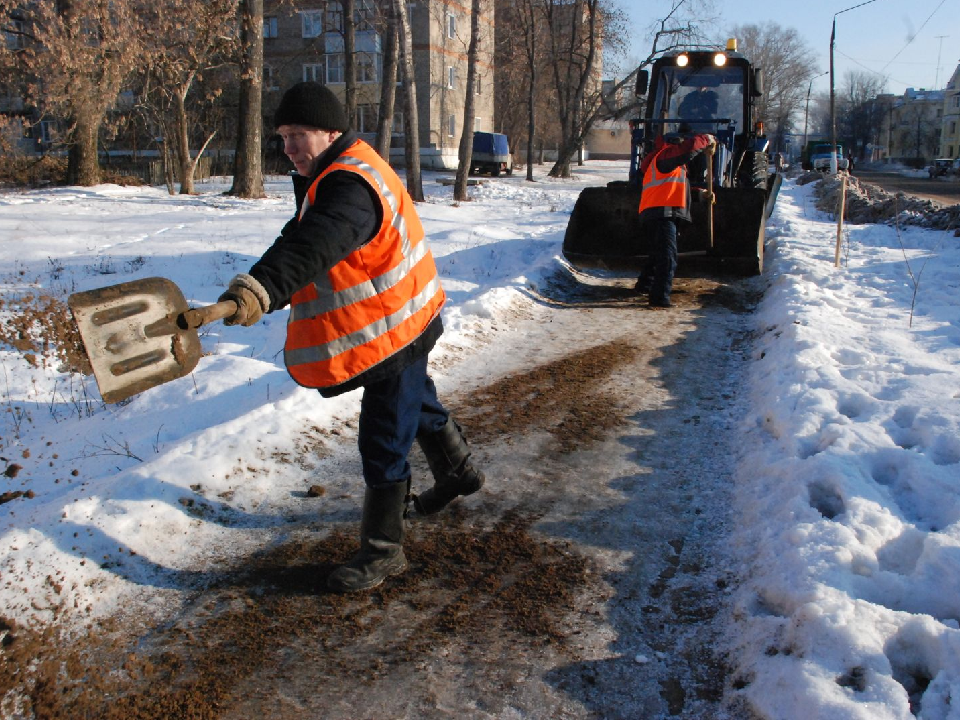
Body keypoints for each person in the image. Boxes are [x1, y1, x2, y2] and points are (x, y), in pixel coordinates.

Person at [218, 82, 485, 593]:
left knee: (385, 434)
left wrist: (266, 287)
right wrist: (254, 284)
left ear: (331, 130)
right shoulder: (343, 168)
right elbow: (302, 234)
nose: (289, 147)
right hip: (406, 315)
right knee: (415, 403)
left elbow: (317, 243)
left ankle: (384, 552)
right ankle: (457, 472)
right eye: (282, 137)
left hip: (395, 328)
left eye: (299, 134)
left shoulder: (349, 186)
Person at [634, 127, 715, 307]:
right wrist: (706, 138)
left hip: (656, 211)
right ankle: (659, 298)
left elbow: (674, 189)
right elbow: (690, 148)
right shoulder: (664, 157)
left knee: (657, 254)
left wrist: (699, 194)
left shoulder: (666, 165)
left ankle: (644, 285)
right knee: (668, 256)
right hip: (662, 212)